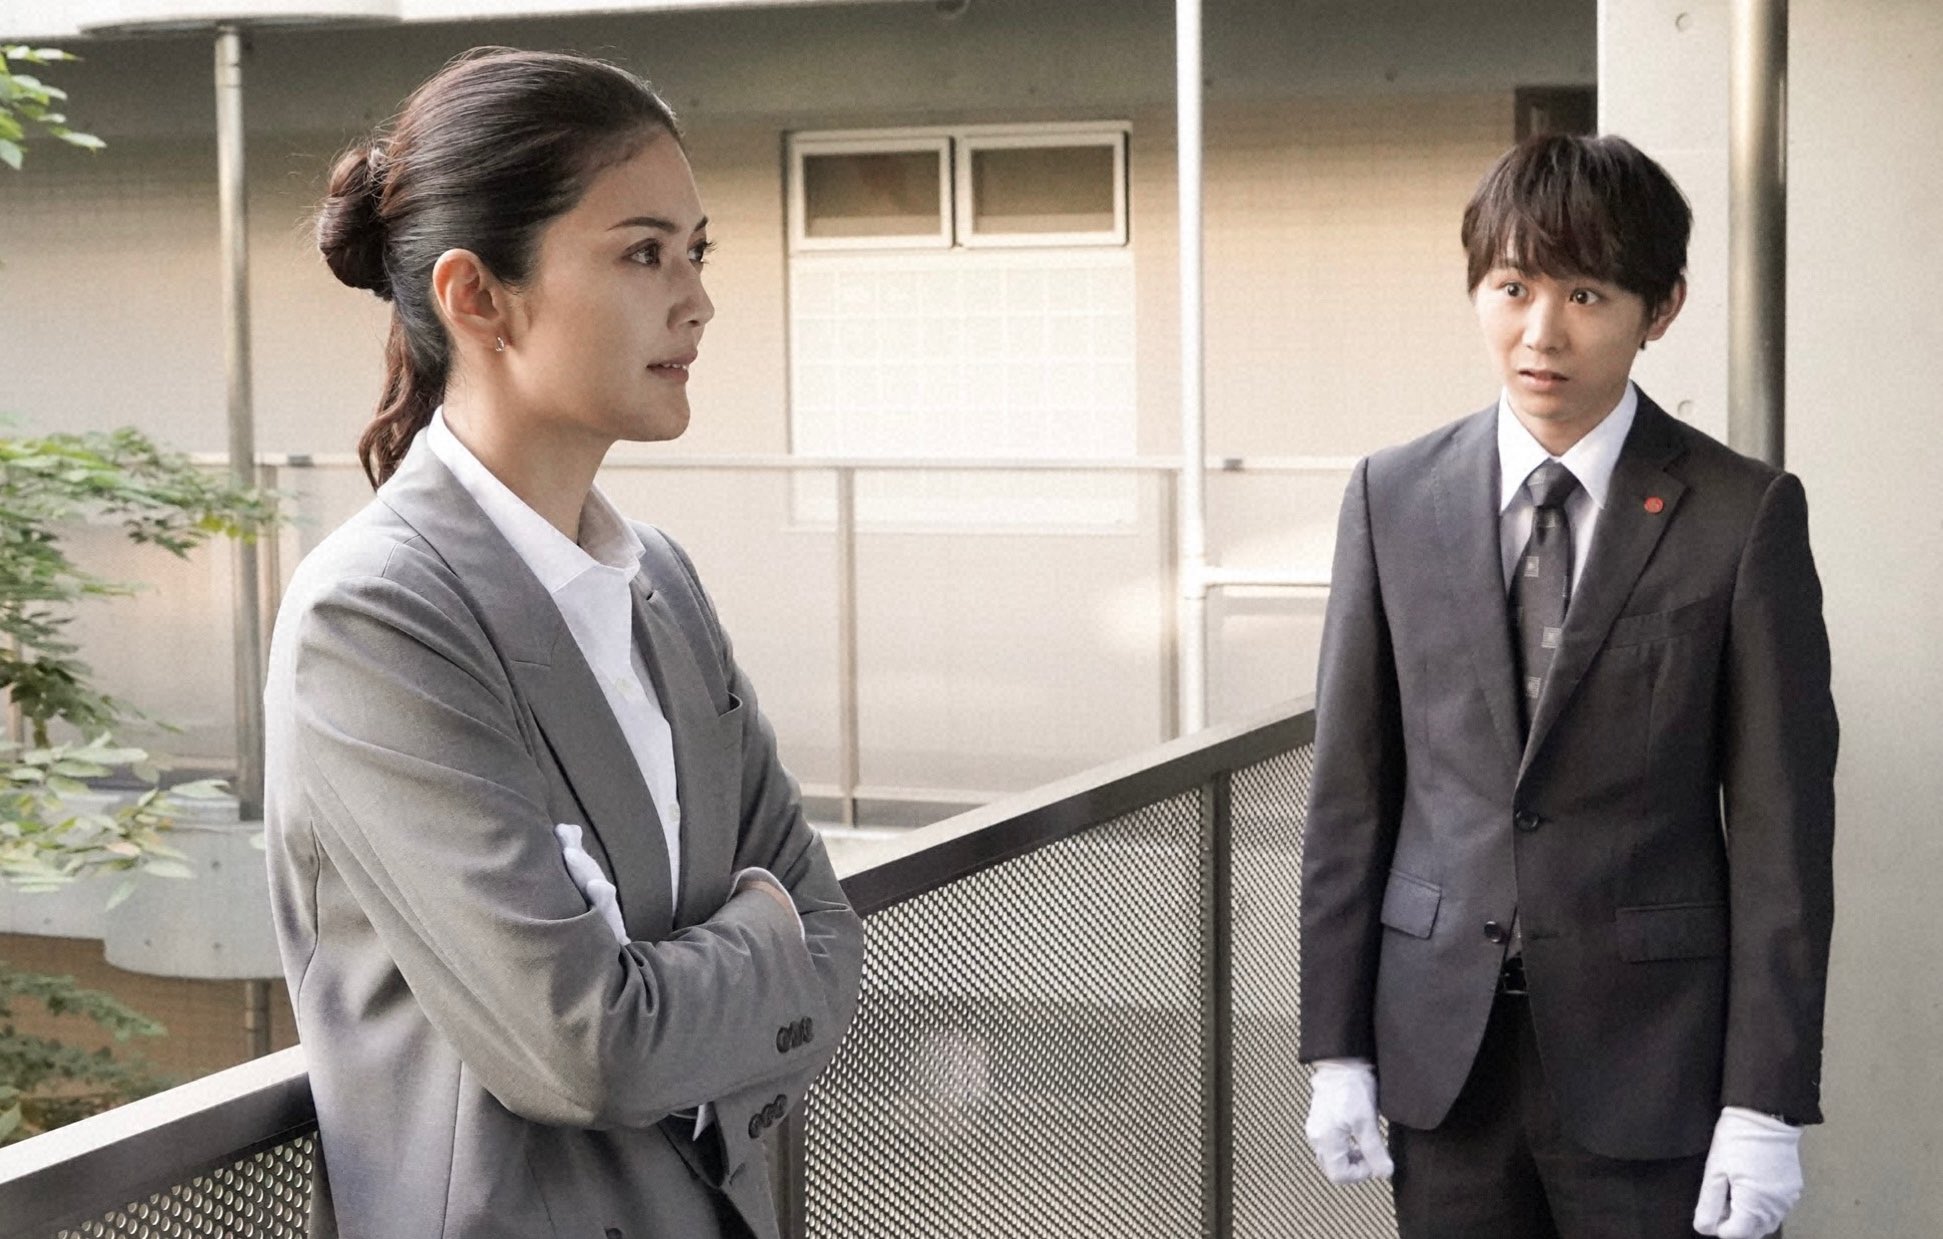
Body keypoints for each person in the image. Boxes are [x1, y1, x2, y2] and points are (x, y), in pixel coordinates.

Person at [263, 48, 864, 1239]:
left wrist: (704, 970)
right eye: (642, 253)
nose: (695, 301)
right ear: (477, 296)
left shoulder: (660, 585)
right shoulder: (376, 617)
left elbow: (832, 940)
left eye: (696, 252)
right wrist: (760, 941)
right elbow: (586, 1047)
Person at [1296, 133, 1837, 1239]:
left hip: (1655, 1062)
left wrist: (1763, 1102)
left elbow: (1782, 833)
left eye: (1585, 294)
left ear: (1659, 308)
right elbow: (1350, 793)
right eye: (1511, 288)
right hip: (1440, 1058)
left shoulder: (1741, 514)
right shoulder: (1390, 495)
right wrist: (1335, 1047)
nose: (1540, 332)